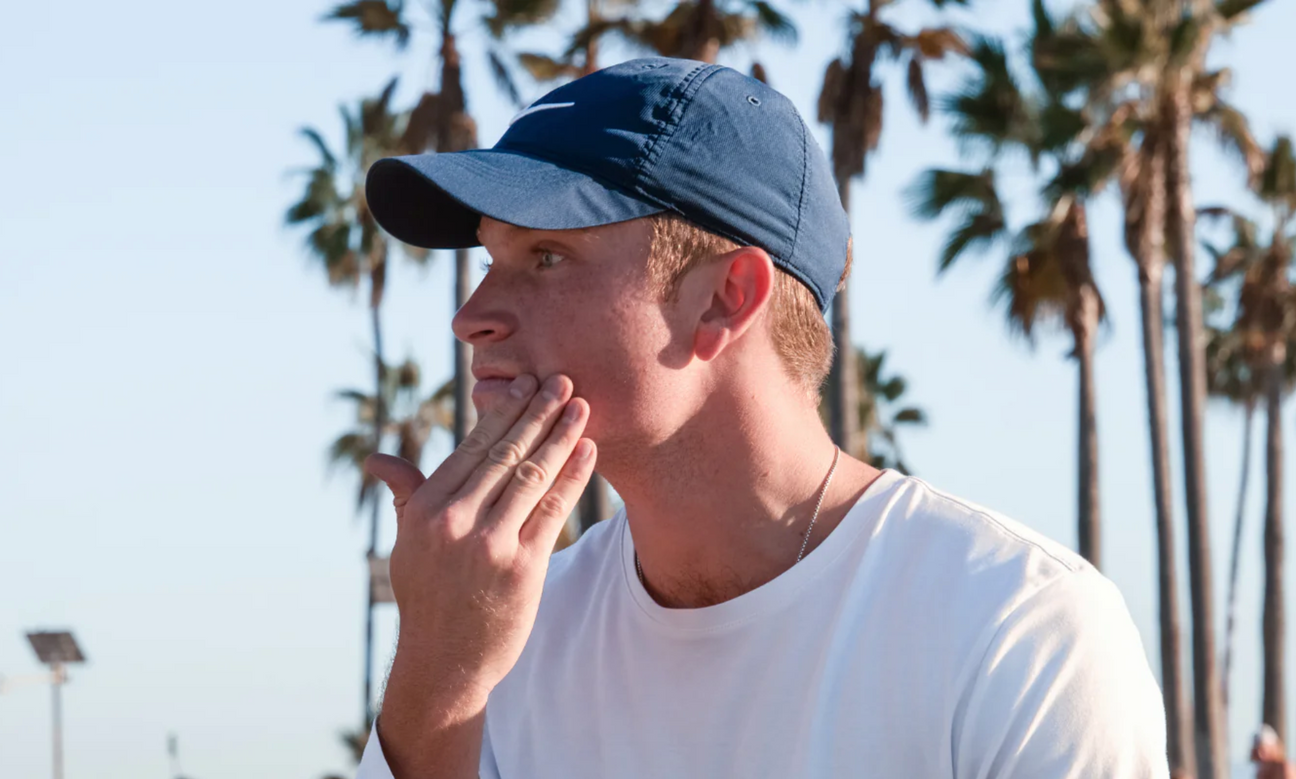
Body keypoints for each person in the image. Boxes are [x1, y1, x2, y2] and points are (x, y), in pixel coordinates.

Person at [354, 57, 1169, 778]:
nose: (473, 316)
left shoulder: (1017, 630)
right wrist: (439, 676)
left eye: (546, 256)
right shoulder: (498, 637)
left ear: (727, 299)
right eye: (491, 259)